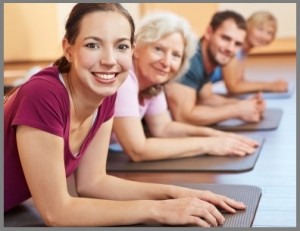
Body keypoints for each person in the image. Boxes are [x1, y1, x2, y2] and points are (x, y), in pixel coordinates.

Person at [4, 3, 247, 227]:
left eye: (121, 46)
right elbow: (57, 213)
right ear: (69, 49)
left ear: (131, 49)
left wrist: (176, 193)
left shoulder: (107, 93)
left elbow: (93, 183)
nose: (110, 60)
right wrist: (158, 210)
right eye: (92, 45)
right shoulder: (44, 94)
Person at [110, 11, 258, 163]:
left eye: (175, 55)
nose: (167, 62)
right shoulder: (124, 80)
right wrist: (209, 144)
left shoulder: (153, 82)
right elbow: (138, 151)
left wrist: (215, 135)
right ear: (137, 49)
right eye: (158, 49)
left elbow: (164, 128)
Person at [164, 10, 266, 126]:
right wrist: (237, 109)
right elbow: (184, 117)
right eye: (225, 38)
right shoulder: (190, 60)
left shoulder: (206, 59)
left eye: (237, 44)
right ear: (209, 32)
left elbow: (206, 99)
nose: (230, 48)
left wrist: (246, 104)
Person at [210, 11, 288, 94]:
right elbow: (232, 87)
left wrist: (272, 86)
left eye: (269, 33)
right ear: (248, 26)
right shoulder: (235, 48)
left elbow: (240, 82)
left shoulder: (244, 51)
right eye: (260, 29)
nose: (264, 36)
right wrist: (270, 86)